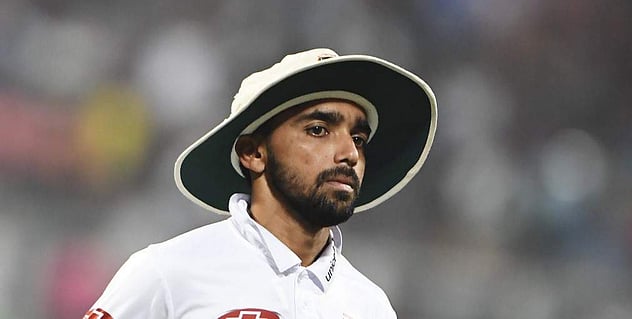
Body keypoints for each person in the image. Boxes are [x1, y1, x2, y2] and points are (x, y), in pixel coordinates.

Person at [83, 48, 437, 319]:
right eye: (318, 130)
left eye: (358, 138)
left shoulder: (370, 306)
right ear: (253, 153)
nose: (349, 154)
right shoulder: (166, 273)